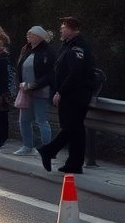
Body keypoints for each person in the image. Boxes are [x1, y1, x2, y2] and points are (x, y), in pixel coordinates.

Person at [39, 17, 96, 174]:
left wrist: (60, 91)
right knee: (76, 129)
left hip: (75, 95)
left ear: (74, 29)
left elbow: (75, 73)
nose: (61, 29)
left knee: (71, 127)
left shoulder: (79, 47)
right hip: (71, 94)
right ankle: (74, 163)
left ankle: (49, 150)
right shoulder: (68, 46)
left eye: (64, 27)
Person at [14, 25, 55, 156]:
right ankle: (27, 146)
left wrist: (36, 85)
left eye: (30, 34)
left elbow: (50, 73)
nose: (28, 36)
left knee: (41, 119)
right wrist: (20, 85)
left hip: (40, 91)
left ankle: (48, 149)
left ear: (38, 37)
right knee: (24, 120)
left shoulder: (47, 52)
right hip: (25, 91)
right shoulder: (27, 50)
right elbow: (19, 69)